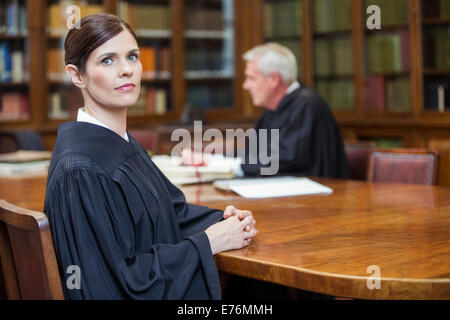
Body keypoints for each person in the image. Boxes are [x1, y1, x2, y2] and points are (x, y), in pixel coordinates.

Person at [44, 13, 257, 300]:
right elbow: (114, 283)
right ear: (76, 75)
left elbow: (169, 213)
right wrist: (208, 242)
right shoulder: (80, 170)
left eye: (132, 57)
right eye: (107, 60)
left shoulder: (121, 143)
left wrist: (224, 221)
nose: (126, 70)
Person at [239, 43, 349, 178]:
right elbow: (253, 153)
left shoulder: (306, 104)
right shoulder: (272, 108)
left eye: (251, 78)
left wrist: (237, 165)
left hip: (315, 194)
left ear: (273, 79)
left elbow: (287, 158)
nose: (246, 86)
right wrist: (221, 160)